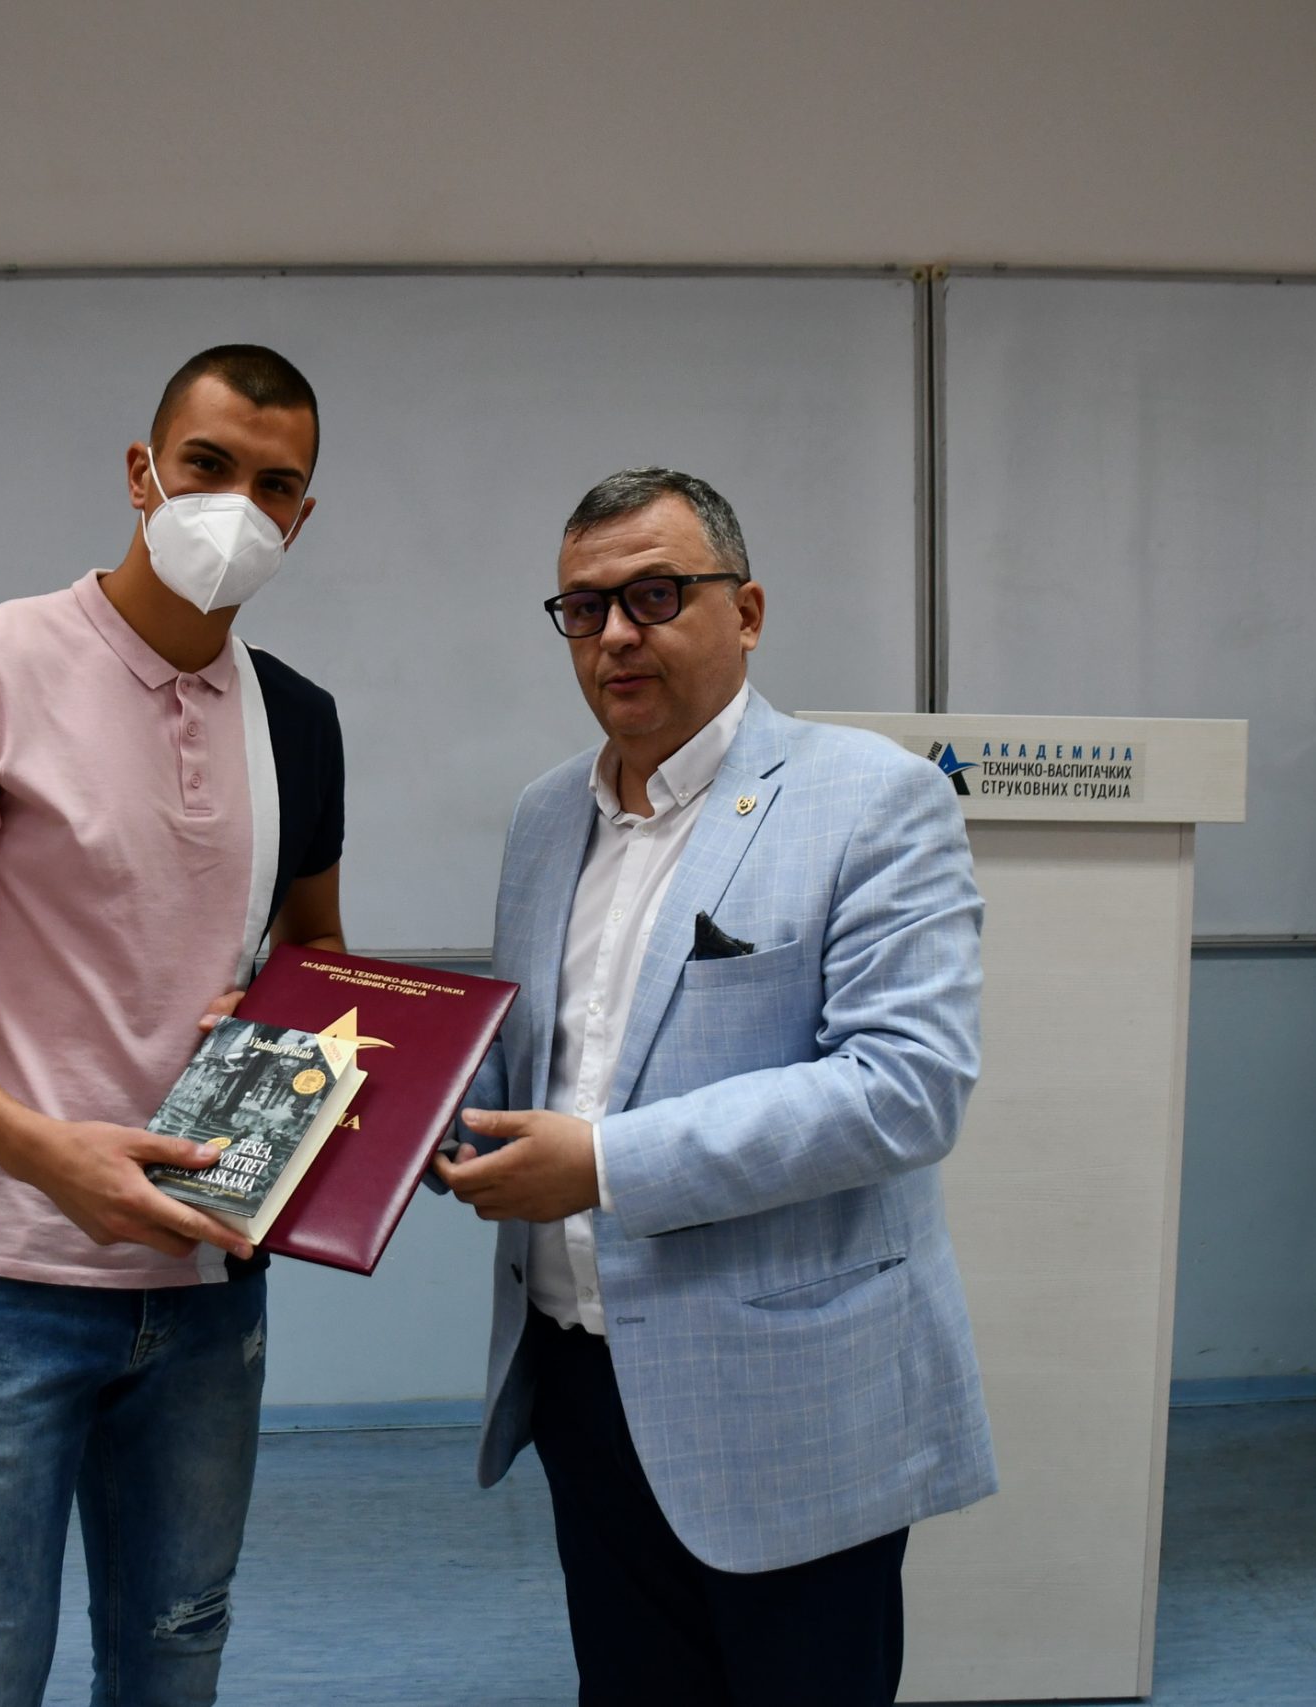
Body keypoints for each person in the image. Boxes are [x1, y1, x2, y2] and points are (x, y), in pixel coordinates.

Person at [0, 345, 346, 1707]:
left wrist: (283, 1016)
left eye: (275, 485)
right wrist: (43, 1153)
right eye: (208, 465)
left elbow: (321, 967)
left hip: (208, 1284)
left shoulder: (299, 720)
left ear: (301, 518)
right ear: (142, 472)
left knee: (174, 1662)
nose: (236, 506)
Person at [435, 468, 994, 1706]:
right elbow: (530, 1058)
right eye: (585, 608)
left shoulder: (875, 798)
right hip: (579, 1378)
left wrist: (601, 1164)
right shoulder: (544, 817)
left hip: (786, 1393)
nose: (615, 635)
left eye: (655, 595)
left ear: (745, 612)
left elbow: (905, 1086)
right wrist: (368, 1092)